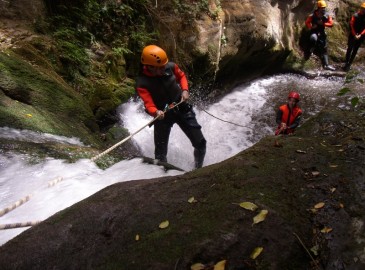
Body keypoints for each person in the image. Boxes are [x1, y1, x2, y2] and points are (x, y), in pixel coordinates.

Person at [135, 45, 206, 169]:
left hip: (182, 108)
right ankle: (164, 178)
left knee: (200, 143)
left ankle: (198, 169)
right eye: (160, 67)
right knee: (160, 156)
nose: (164, 68)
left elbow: (181, 76)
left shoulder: (171, 67)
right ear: (150, 67)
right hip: (162, 116)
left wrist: (185, 90)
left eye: (164, 66)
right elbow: (148, 104)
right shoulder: (142, 83)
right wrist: (156, 112)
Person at [305, 0, 336, 71]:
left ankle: (326, 65)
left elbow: (331, 24)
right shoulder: (313, 15)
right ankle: (311, 49)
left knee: (324, 47)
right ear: (318, 7)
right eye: (322, 7)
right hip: (314, 31)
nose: (323, 9)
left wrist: (323, 24)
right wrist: (311, 27)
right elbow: (307, 22)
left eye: (324, 7)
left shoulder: (327, 15)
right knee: (313, 38)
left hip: (321, 32)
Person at [343, 2, 365, 71]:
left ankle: (349, 63)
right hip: (353, 35)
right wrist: (354, 34)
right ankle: (346, 63)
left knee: (355, 50)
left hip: (361, 36)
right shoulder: (355, 16)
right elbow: (351, 25)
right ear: (360, 8)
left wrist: (360, 35)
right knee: (350, 48)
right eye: (363, 8)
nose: (363, 10)